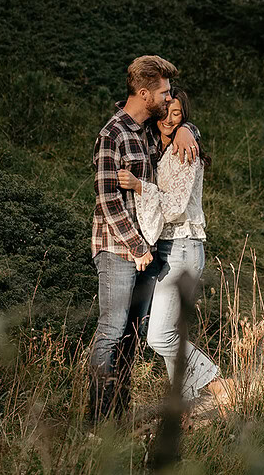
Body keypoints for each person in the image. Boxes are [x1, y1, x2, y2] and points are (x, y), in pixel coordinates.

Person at [89, 56, 199, 421]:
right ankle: (97, 420)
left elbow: (177, 125)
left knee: (131, 335)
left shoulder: (148, 129)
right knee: (111, 330)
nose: (168, 98)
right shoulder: (112, 135)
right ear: (143, 93)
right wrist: (136, 248)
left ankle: (118, 416)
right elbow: (108, 200)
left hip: (145, 253)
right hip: (118, 249)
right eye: (164, 93)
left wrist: (188, 130)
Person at [118, 87, 234, 415]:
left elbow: (174, 207)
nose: (170, 120)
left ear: (185, 117)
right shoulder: (163, 146)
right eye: (166, 113)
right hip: (168, 249)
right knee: (168, 332)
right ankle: (183, 411)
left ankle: (217, 383)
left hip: (183, 246)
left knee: (159, 336)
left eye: (178, 114)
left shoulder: (185, 152)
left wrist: (140, 186)